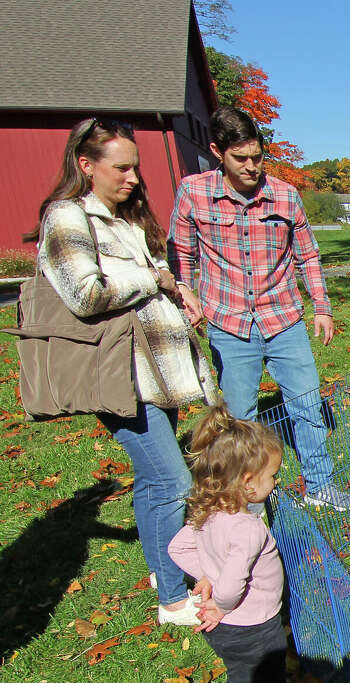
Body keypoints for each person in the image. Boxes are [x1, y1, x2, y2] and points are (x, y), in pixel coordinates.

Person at [29, 118, 216, 626]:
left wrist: (179, 291)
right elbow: (86, 294)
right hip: (122, 376)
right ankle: (173, 599)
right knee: (173, 482)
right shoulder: (68, 217)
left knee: (153, 481)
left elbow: (153, 283)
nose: (133, 176)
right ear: (86, 165)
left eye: (136, 166)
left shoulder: (127, 220)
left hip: (160, 374)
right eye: (121, 167)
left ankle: (161, 567)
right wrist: (153, 277)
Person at [168, 106, 350, 512]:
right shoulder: (194, 192)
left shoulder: (285, 195)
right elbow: (180, 249)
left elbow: (308, 256)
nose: (252, 166)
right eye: (241, 159)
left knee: (307, 406)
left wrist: (321, 307)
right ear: (218, 151)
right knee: (240, 419)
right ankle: (246, 497)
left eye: (257, 156)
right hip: (230, 323)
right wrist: (186, 291)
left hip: (284, 317)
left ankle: (319, 485)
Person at [168, 405, 311, 683]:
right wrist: (223, 602)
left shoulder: (209, 511)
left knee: (238, 680)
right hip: (255, 625)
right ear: (248, 483)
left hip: (225, 632)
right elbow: (232, 585)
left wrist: (204, 576)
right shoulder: (247, 527)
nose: (276, 482)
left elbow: (178, 547)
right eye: (273, 476)